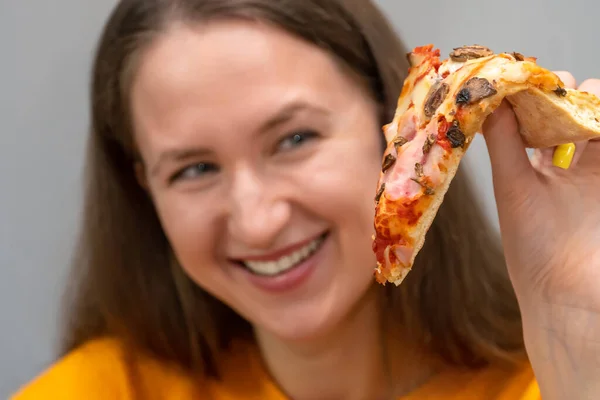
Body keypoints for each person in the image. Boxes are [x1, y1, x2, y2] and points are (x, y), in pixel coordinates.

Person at [12, 0, 600, 399]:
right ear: (145, 189)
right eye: (194, 168)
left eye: (295, 138)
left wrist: (577, 352)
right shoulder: (101, 388)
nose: (259, 220)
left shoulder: (552, 377)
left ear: (394, 124)